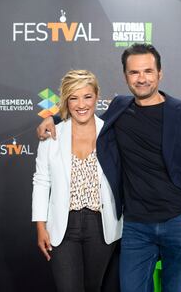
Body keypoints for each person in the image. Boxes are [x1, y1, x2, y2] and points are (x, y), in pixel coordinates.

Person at [37, 44, 181, 292]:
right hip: (135, 227)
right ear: (125, 77)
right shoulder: (120, 108)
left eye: (147, 71)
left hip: (178, 221)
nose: (141, 78)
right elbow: (84, 112)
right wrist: (54, 118)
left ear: (160, 73)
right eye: (134, 72)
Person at [32, 69, 123, 292]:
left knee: (94, 288)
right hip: (63, 225)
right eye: (73, 97)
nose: (81, 104)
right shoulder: (52, 135)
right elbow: (42, 182)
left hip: (101, 225)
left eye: (87, 96)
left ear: (97, 97)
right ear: (66, 101)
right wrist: (40, 227)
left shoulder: (112, 133)